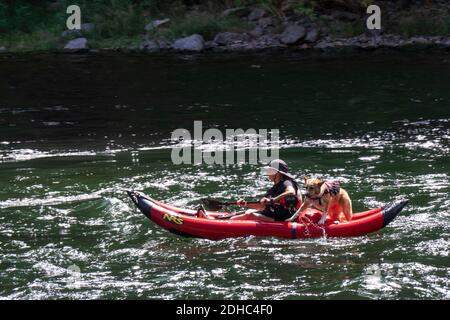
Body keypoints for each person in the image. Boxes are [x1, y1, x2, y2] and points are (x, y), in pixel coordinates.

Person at [229, 159, 302, 222]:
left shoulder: (286, 182)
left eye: (270, 171)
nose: (267, 173)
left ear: (277, 173)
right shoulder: (274, 188)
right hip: (274, 214)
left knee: (250, 215)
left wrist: (273, 200)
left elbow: (291, 192)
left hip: (282, 218)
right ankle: (229, 221)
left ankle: (228, 223)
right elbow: (262, 206)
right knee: (249, 211)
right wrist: (245, 204)